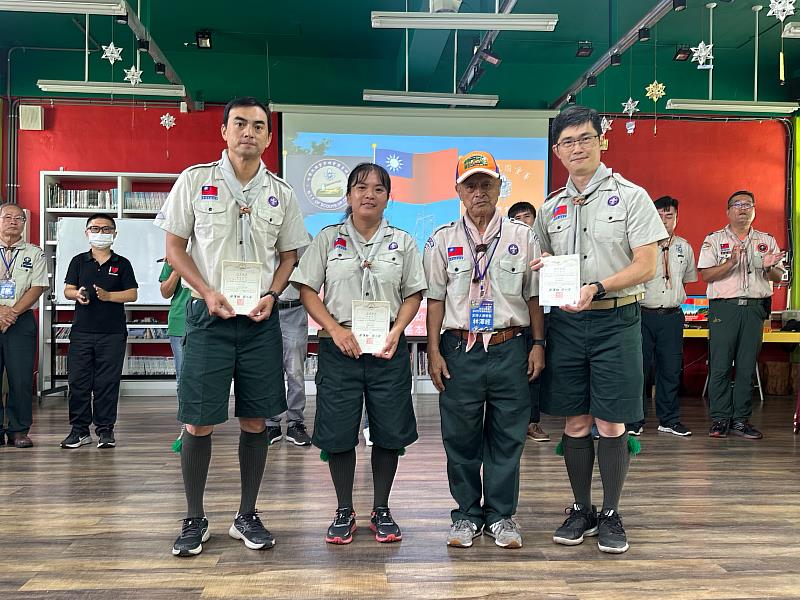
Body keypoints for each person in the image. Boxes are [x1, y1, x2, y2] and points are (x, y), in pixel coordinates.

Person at [156, 96, 309, 557]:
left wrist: (271, 293)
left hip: (259, 320)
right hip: (209, 315)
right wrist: (205, 290)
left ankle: (247, 514)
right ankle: (195, 518)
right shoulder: (194, 180)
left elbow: (289, 254)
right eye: (240, 124)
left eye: (259, 126)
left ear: (268, 136)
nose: (249, 132)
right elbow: (174, 250)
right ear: (223, 131)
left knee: (256, 418)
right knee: (198, 421)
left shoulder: (280, 192)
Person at [532, 105, 667, 554]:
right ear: (557, 150)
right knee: (575, 419)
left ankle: (611, 511)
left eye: (586, 138)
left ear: (601, 141)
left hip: (616, 319)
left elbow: (646, 265)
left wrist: (597, 286)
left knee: (611, 421)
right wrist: (547, 269)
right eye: (568, 142)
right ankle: (580, 508)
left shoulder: (631, 196)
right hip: (567, 323)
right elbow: (544, 266)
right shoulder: (549, 208)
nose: (578, 148)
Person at [291, 162, 426, 544]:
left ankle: (381, 509)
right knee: (337, 433)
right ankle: (344, 510)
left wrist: (397, 331)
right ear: (348, 195)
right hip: (341, 347)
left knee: (389, 431)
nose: (369, 194)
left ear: (388, 197)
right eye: (361, 187)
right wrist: (333, 330)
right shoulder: (326, 238)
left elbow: (414, 292)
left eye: (378, 189)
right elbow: (306, 289)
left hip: (386, 350)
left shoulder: (403, 241)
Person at [424, 151, 544, 550]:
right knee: (460, 437)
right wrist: (434, 351)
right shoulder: (442, 239)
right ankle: (465, 515)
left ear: (499, 187)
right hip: (460, 349)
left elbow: (533, 297)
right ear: (458, 190)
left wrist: (538, 344)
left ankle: (501, 516)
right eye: (470, 185)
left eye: (486, 184)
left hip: (510, 348)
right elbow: (436, 301)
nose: (479, 192)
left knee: (508, 435)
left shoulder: (522, 237)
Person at [698, 190, 785, 440]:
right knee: (721, 365)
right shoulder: (714, 240)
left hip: (755, 308)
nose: (743, 208)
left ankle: (740, 420)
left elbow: (778, 278)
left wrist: (769, 267)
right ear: (728, 211)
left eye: (748, 204)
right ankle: (720, 419)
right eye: (737, 204)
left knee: (747, 366)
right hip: (725, 308)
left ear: (754, 210)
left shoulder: (766, 240)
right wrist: (730, 262)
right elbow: (706, 275)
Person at [61, 214, 138, 450]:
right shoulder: (78, 261)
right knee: (78, 382)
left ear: (114, 234)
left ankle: (105, 430)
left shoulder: (122, 263)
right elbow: (67, 290)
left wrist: (109, 296)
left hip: (112, 333)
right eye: (95, 228)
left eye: (106, 229)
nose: (100, 233)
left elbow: (132, 294)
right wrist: (77, 294)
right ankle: (79, 431)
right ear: (87, 233)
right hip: (82, 331)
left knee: (106, 383)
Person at [626, 196, 697, 438]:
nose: (664, 221)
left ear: (676, 218)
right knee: (640, 369)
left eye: (669, 216)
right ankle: (634, 420)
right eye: (659, 215)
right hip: (642, 315)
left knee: (670, 369)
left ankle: (669, 420)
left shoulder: (684, 247)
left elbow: (687, 279)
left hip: (672, 316)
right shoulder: (639, 247)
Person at [0, 203, 48, 448]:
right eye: (7, 217)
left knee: (20, 379)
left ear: (24, 223)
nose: (12, 221)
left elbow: (37, 287)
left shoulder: (35, 253)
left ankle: (19, 430)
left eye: (18, 218)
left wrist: (11, 314)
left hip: (21, 321)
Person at [508, 201, 549, 442]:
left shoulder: (549, 248)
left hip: (548, 315)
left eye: (527, 216)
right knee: (516, 373)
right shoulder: (507, 248)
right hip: (518, 320)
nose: (524, 222)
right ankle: (513, 424)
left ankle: (533, 423)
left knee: (537, 371)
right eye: (517, 218)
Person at [266, 250, 312, 447]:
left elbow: (309, 274)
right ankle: (271, 423)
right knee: (269, 371)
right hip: (266, 310)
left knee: (295, 371)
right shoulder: (264, 237)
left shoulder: (304, 240)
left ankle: (295, 423)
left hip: (294, 309)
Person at [159, 257, 191, 447]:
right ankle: (187, 424)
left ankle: (203, 422)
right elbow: (165, 291)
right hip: (181, 322)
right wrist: (178, 268)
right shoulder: (174, 257)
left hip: (211, 319)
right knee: (184, 378)